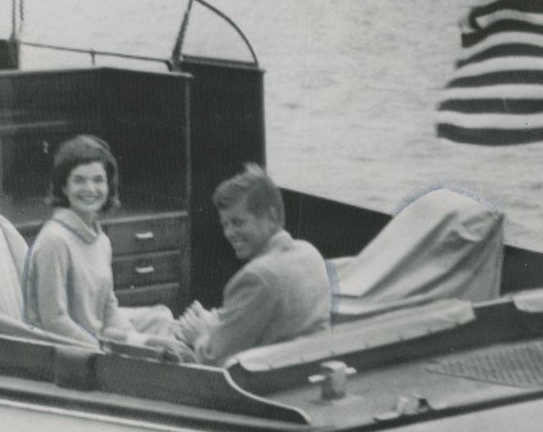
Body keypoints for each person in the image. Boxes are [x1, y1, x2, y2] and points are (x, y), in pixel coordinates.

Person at [23, 135, 182, 354]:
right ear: (63, 187)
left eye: (98, 180)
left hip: (96, 338)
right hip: (65, 352)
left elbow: (108, 309)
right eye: (79, 180)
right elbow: (55, 322)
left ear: (108, 185)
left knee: (161, 320)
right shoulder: (54, 240)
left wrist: (136, 341)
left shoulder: (101, 240)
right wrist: (107, 349)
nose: (90, 189)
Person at [176, 164, 331, 365]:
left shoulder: (257, 277)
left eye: (238, 222)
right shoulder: (310, 253)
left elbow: (212, 357)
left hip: (264, 382)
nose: (229, 233)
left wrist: (198, 335)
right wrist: (214, 323)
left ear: (272, 217)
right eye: (225, 224)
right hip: (306, 367)